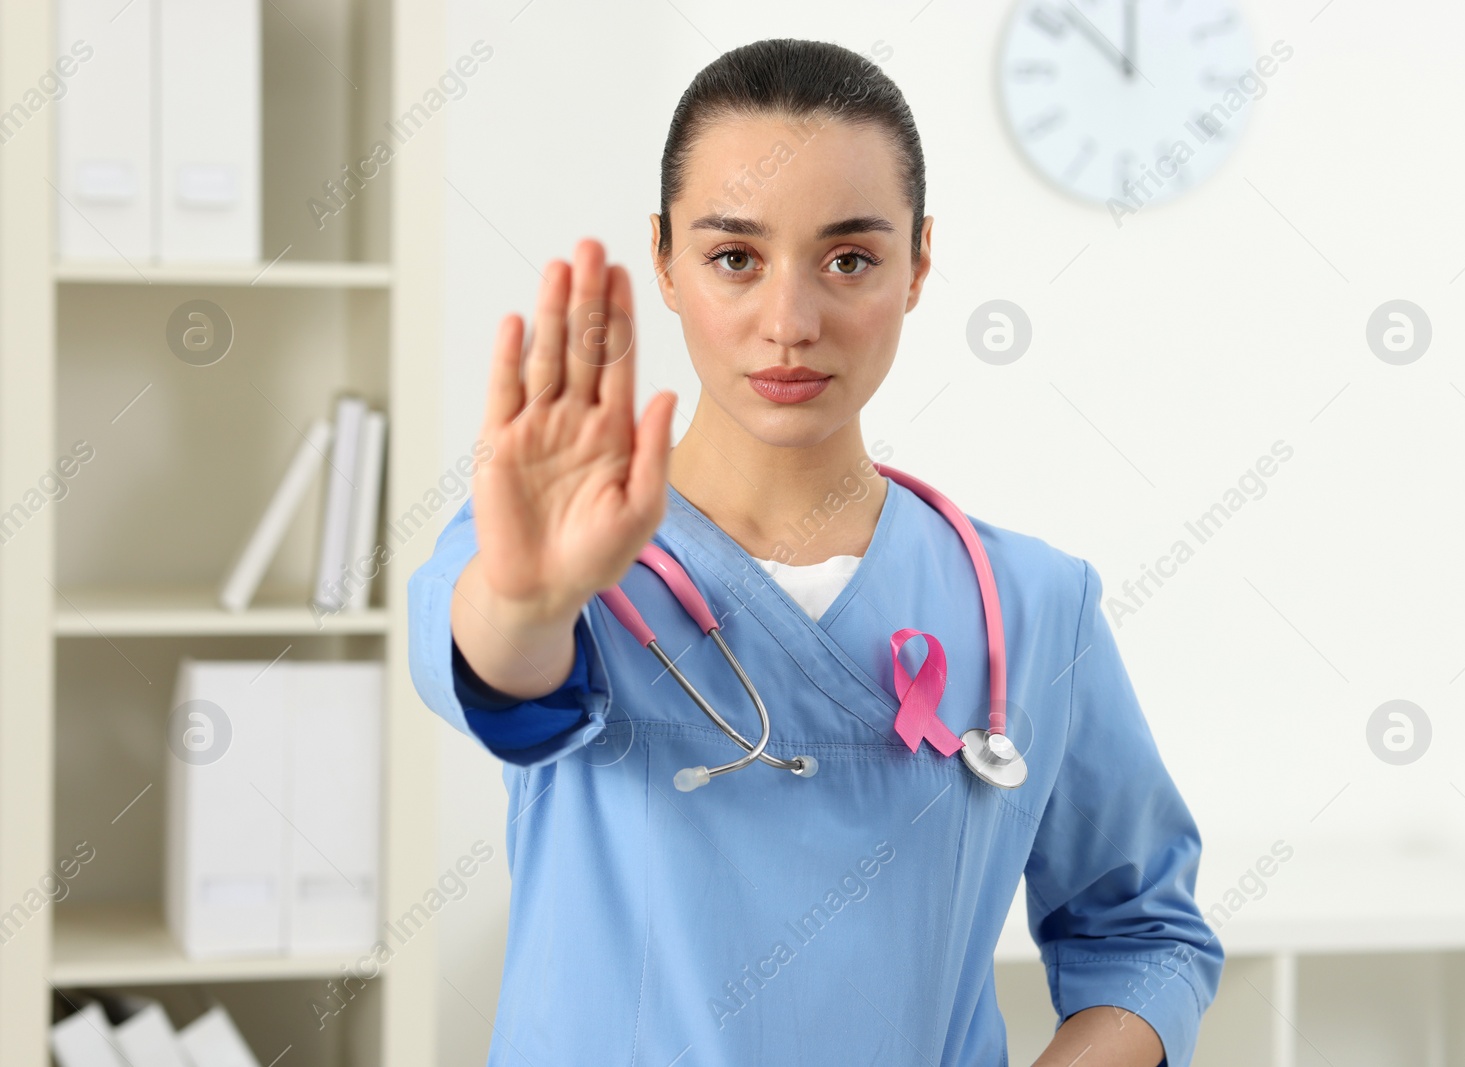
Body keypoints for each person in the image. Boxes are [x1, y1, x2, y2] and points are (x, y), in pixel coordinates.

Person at [408, 37, 1221, 1067]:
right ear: (662, 258)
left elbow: (1145, 934)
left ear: (919, 262)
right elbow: (494, 664)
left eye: (848, 259)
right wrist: (525, 604)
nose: (788, 322)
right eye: (734, 257)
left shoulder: (1032, 604)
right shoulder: (561, 560)